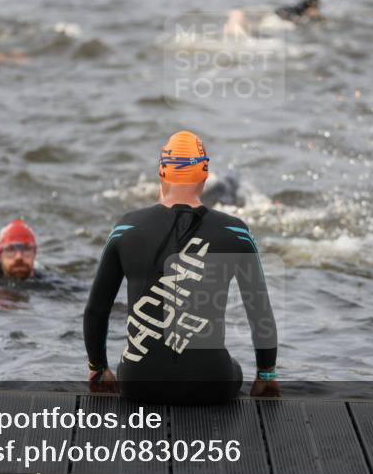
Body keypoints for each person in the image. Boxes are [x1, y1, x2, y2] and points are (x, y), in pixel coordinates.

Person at [83, 130, 279, 404]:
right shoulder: (236, 232)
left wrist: (98, 368)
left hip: (138, 385)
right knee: (232, 368)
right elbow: (260, 313)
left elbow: (96, 310)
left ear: (162, 172)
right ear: (205, 174)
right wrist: (266, 375)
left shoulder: (126, 228)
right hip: (212, 385)